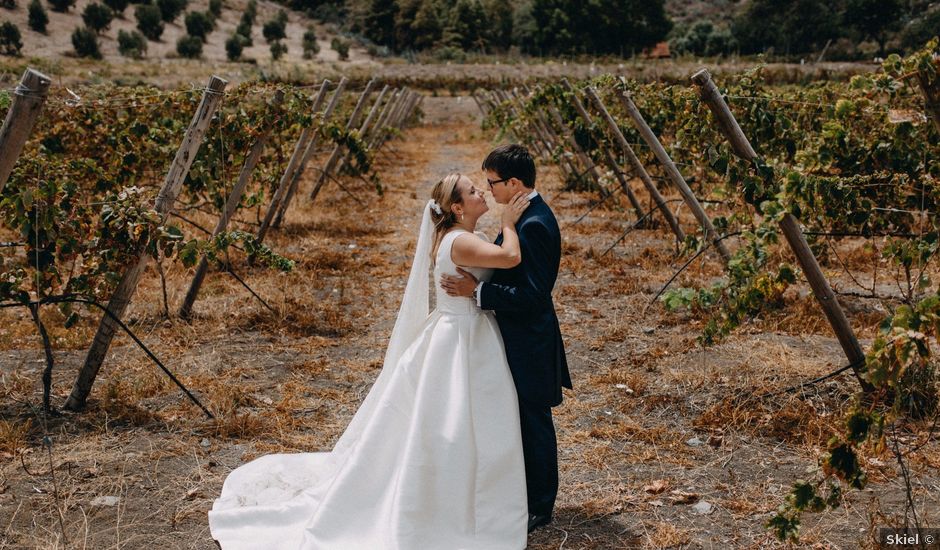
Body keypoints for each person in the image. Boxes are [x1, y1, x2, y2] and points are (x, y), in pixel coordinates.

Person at [209, 173, 532, 549]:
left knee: (456, 420)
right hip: (461, 336)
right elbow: (510, 257)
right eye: (473, 191)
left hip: (464, 331)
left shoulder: (460, 238)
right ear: (457, 207)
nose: (481, 193)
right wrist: (509, 222)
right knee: (454, 418)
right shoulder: (460, 241)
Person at [440, 144, 572, 533]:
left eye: (492, 182)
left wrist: (477, 293)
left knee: (535, 422)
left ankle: (540, 507)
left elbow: (533, 295)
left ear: (514, 183)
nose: (489, 190)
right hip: (515, 338)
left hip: (529, 341)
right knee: (522, 420)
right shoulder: (522, 215)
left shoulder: (533, 224)